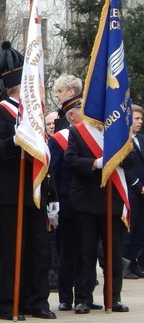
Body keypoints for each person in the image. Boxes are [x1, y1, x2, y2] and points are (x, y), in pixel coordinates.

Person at [0, 41, 55, 321]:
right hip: (10, 191)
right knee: (11, 249)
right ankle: (8, 303)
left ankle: (36, 301)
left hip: (35, 189)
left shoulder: (34, 114)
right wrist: (14, 141)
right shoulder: (1, 111)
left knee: (39, 247)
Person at [65, 112, 134, 313]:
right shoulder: (78, 132)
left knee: (114, 252)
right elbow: (71, 160)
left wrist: (117, 158)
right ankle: (83, 299)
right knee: (85, 252)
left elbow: (132, 163)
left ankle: (114, 297)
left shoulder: (119, 133)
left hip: (112, 200)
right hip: (86, 200)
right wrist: (95, 163)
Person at [48, 99, 94, 312]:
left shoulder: (91, 136)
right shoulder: (59, 138)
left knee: (87, 251)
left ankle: (85, 295)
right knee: (67, 251)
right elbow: (53, 172)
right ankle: (66, 297)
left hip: (88, 201)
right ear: (72, 116)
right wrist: (53, 201)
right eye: (82, 112)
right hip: (65, 202)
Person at [123, 104, 144, 279]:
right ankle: (126, 264)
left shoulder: (141, 139)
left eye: (141, 119)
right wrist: (138, 184)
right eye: (136, 118)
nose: (140, 122)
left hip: (143, 191)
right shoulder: (122, 139)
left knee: (140, 229)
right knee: (130, 228)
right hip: (130, 189)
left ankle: (136, 261)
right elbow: (124, 167)